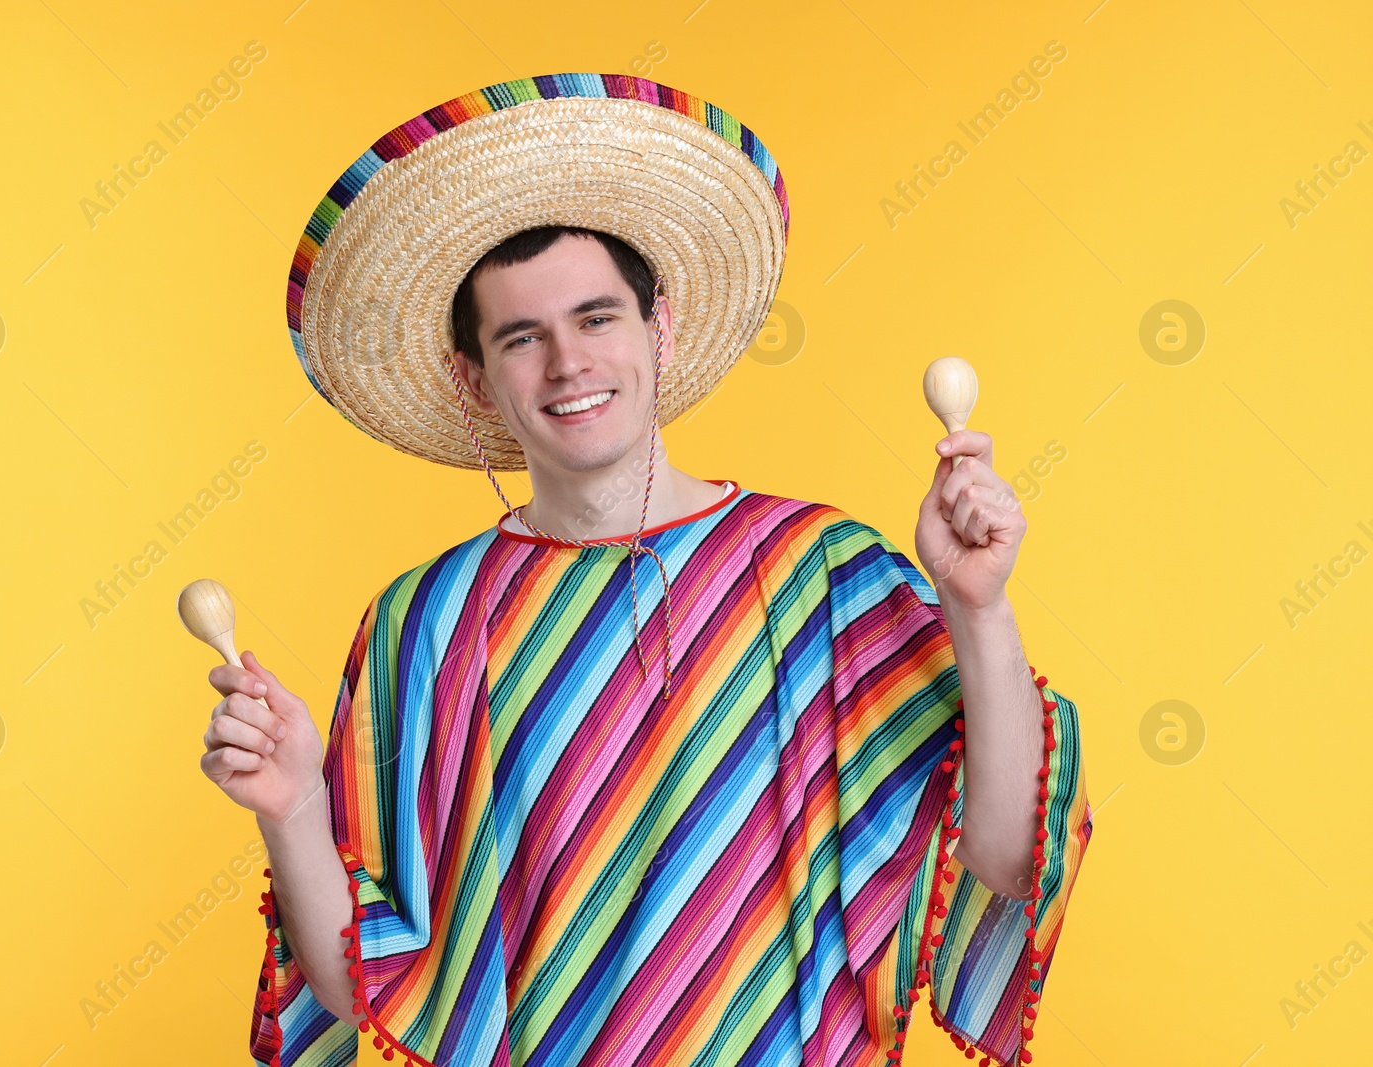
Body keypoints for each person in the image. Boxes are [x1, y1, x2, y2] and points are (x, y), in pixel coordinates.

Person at [200, 73, 1092, 1067]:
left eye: (596, 317)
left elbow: (1008, 854)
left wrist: (977, 605)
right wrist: (294, 808)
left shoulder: (820, 575)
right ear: (473, 377)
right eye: (520, 336)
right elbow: (362, 977)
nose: (567, 363)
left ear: (657, 326)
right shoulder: (424, 624)